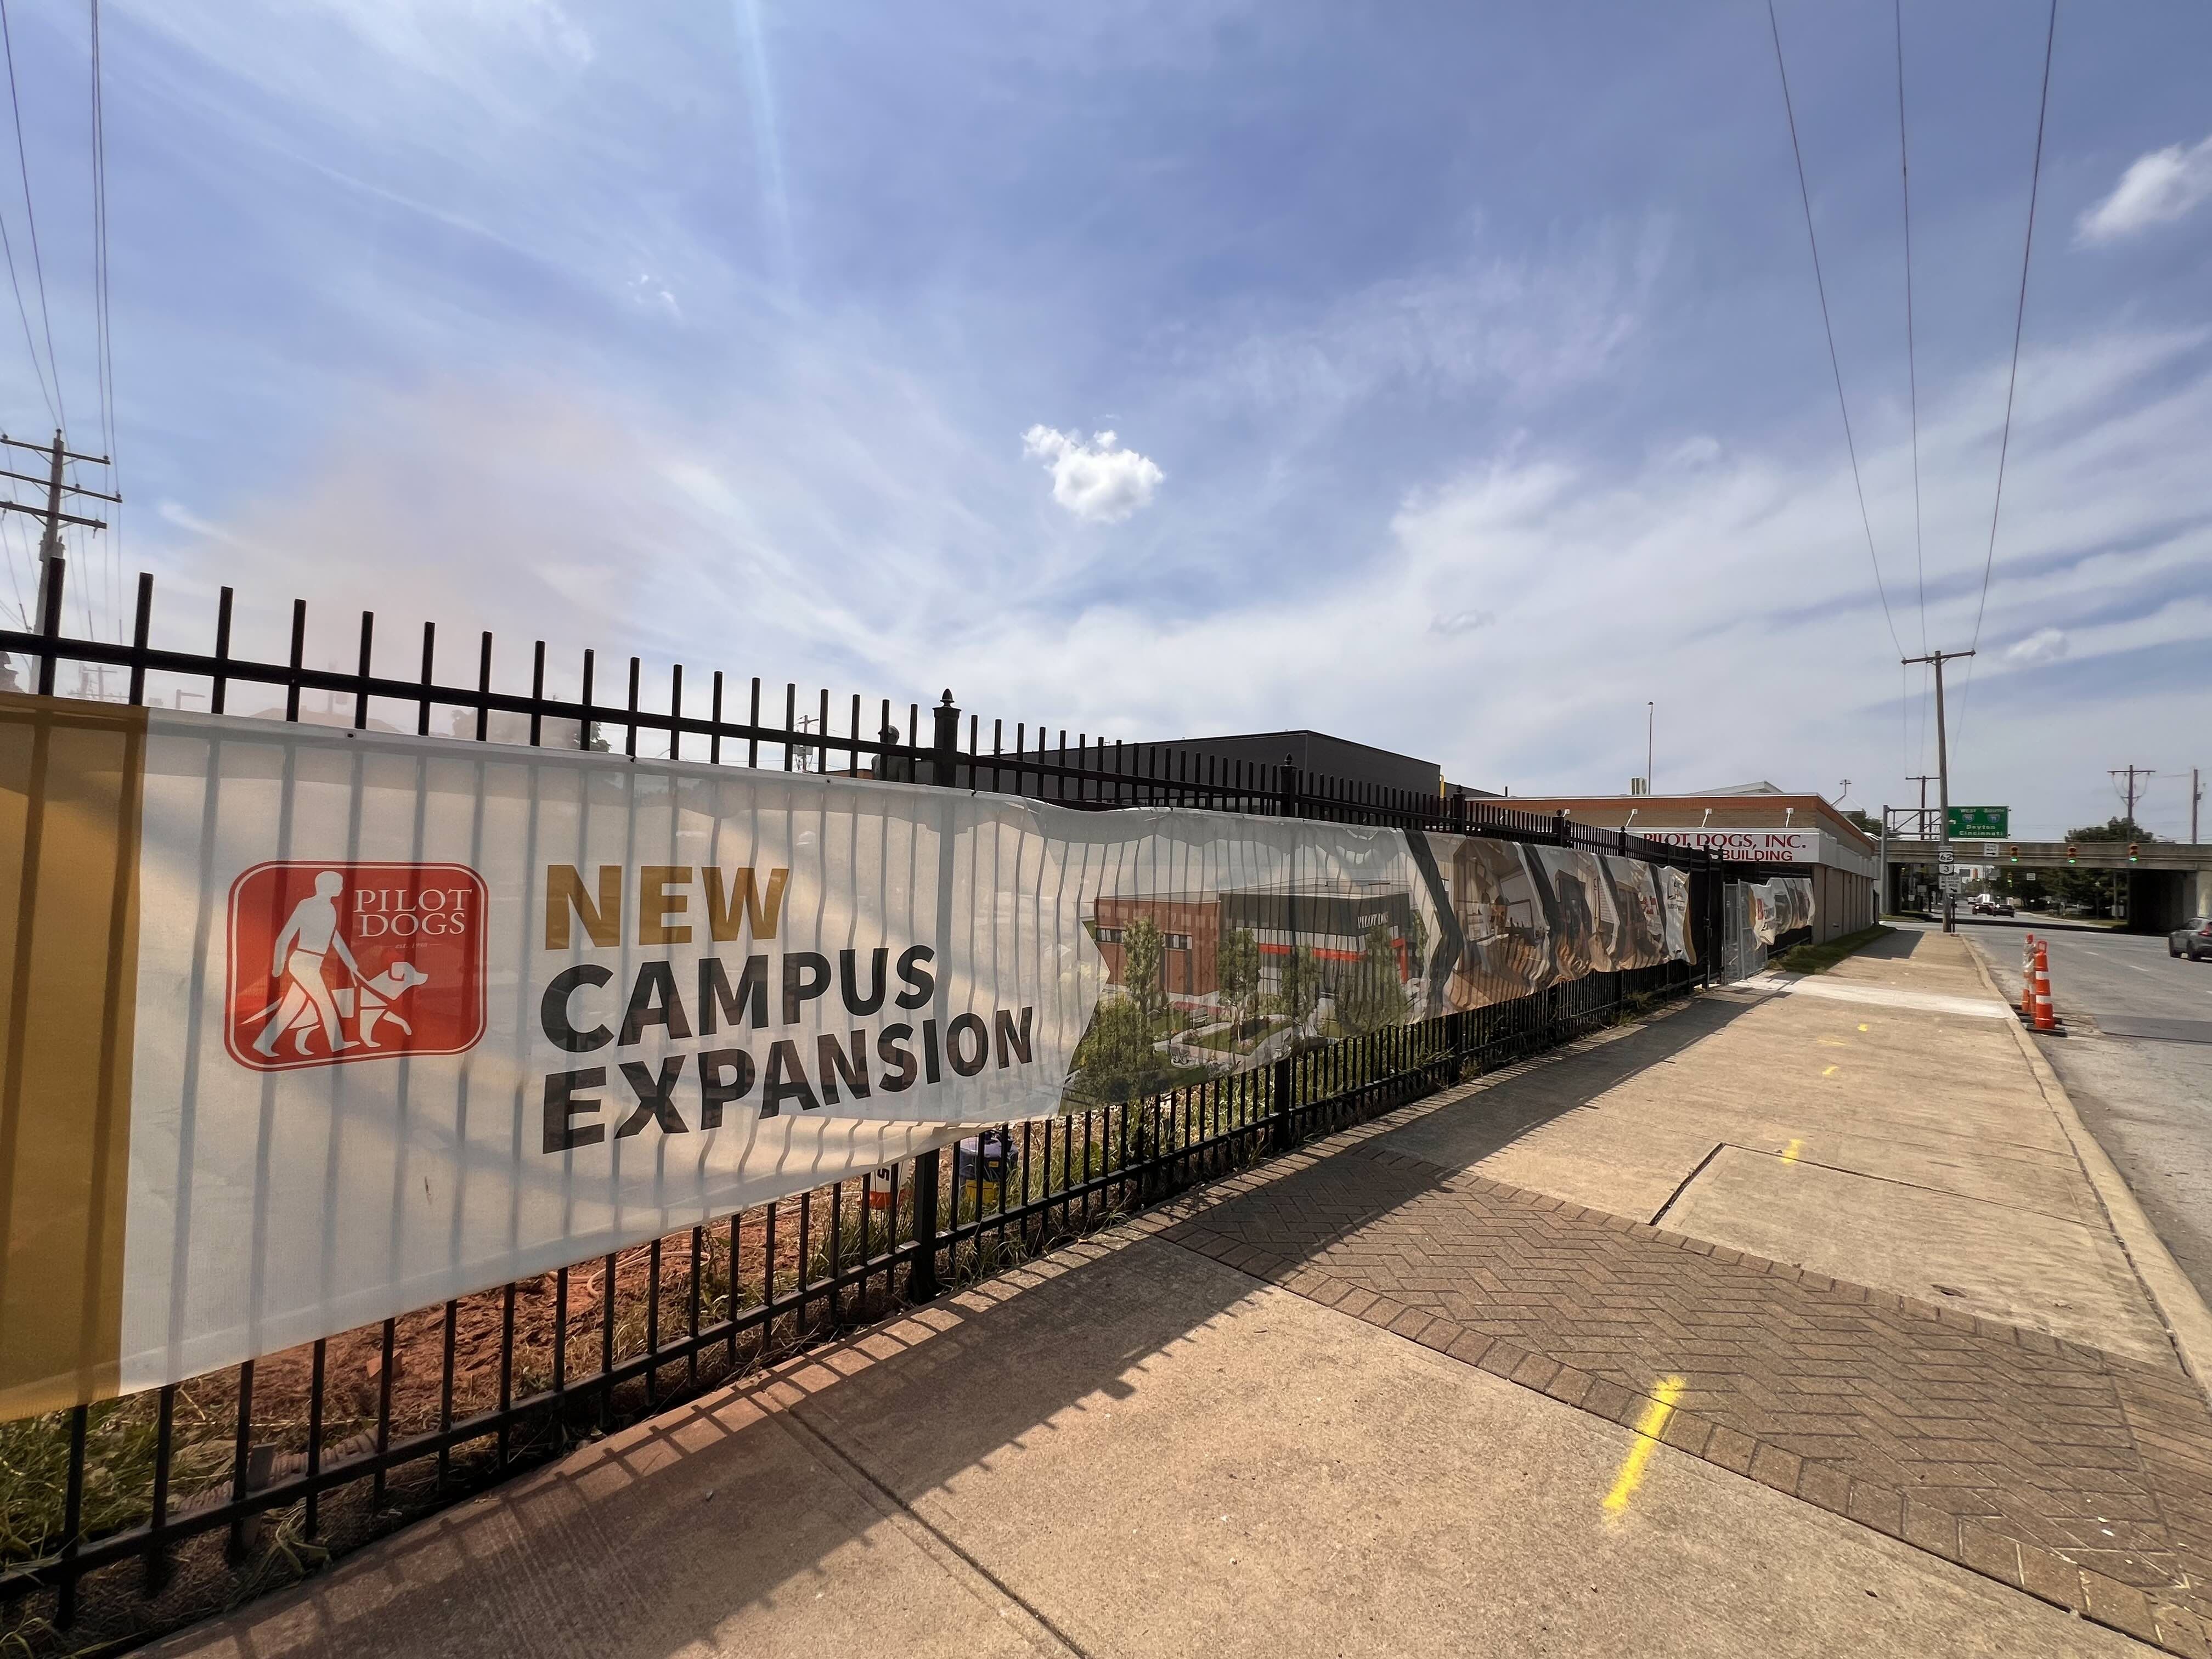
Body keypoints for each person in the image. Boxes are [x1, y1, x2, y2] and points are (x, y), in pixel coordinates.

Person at [252, 870, 362, 1058]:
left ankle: (263, 1043)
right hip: (303, 962)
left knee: (290, 1008)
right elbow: (284, 938)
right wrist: (278, 967)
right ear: (327, 886)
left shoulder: (330, 909)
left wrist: (352, 964)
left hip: (312, 963)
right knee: (326, 1003)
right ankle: (337, 1043)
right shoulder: (307, 906)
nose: (342, 888)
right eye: (339, 884)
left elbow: (335, 938)